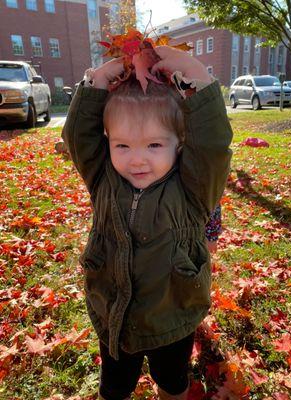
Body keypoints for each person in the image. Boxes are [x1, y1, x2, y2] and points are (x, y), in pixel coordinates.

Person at [62, 44, 232, 400]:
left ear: (178, 145)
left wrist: (197, 77)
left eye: (154, 145)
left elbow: (213, 147)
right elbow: (79, 140)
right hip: (114, 316)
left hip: (172, 319)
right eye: (122, 146)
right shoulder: (103, 180)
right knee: (114, 386)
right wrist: (95, 85)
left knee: (172, 383)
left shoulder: (193, 190)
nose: (137, 159)